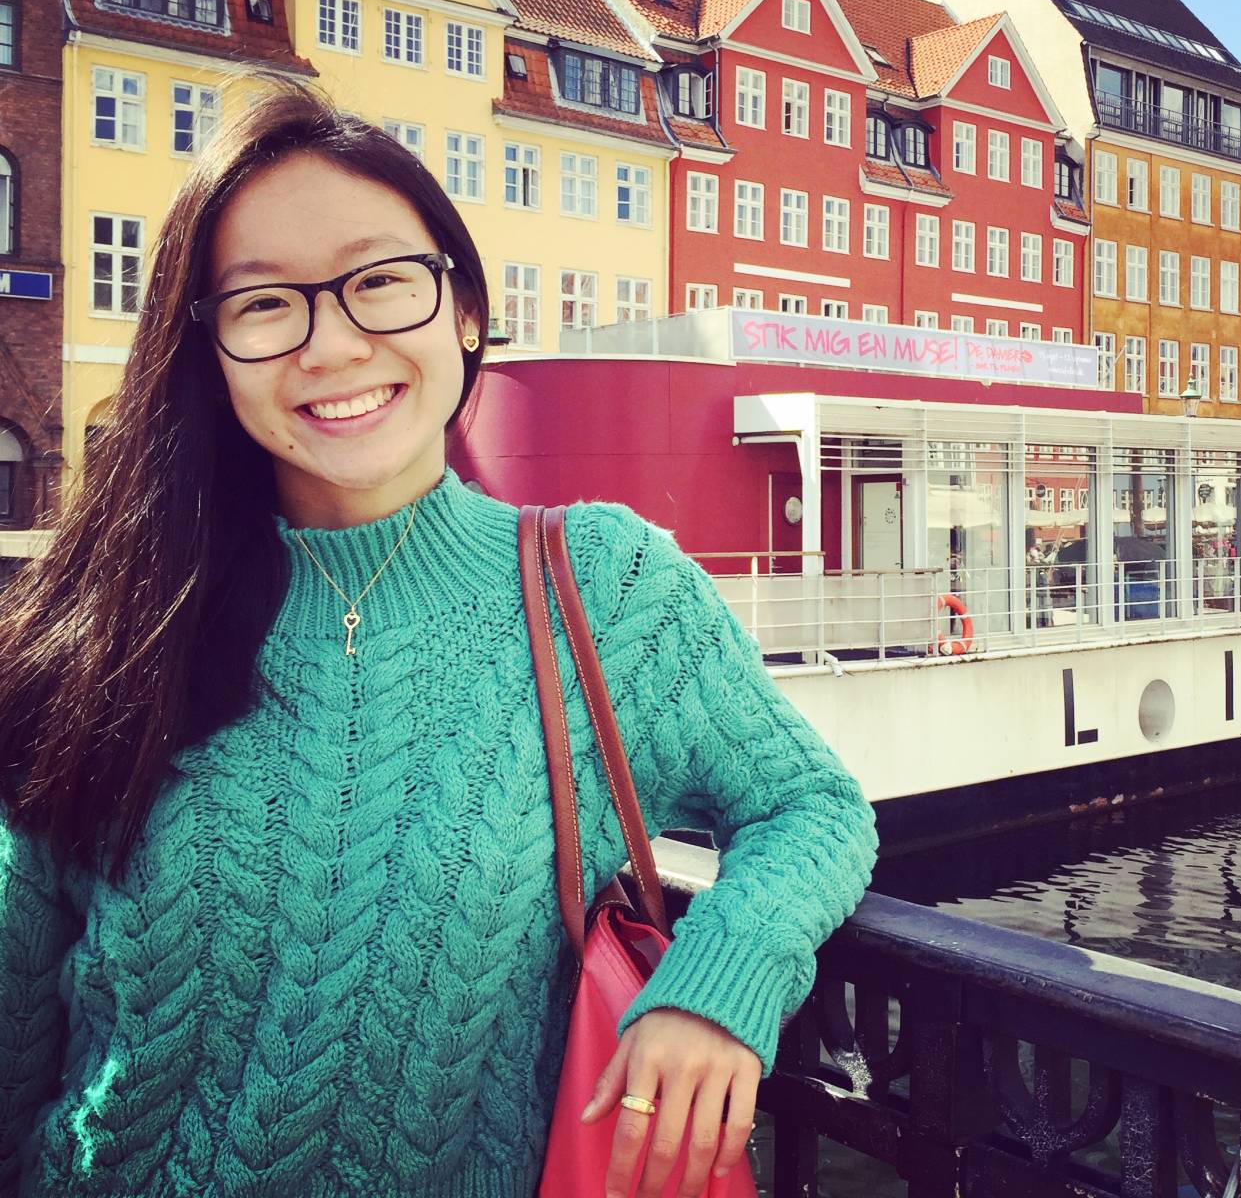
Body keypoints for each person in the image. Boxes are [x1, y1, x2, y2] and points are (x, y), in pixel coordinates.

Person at [0, 83, 877, 1198]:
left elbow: (812, 806)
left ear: (464, 310)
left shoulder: (601, 588)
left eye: (379, 283)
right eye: (265, 304)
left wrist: (722, 977)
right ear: (207, 351)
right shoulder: (118, 616)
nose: (332, 344)